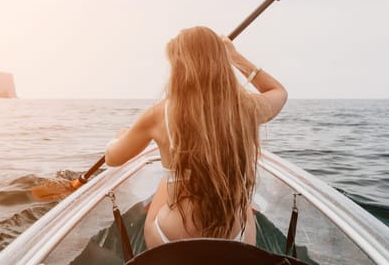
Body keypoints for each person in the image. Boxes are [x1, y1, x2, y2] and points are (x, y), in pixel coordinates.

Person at [105, 26, 287, 248]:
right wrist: (235, 57)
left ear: (178, 68)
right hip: (233, 236)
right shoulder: (246, 108)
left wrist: (120, 137)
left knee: (169, 178)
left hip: (169, 236)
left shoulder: (158, 115)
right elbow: (278, 92)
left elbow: (112, 158)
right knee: (244, 202)